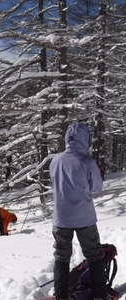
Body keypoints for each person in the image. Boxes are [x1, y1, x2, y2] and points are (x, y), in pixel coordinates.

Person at [50, 122, 106, 300]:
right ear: (86, 139)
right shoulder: (87, 162)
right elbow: (96, 188)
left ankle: (61, 296)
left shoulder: (55, 160)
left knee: (61, 258)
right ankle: (99, 295)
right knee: (94, 256)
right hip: (84, 218)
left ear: (67, 138)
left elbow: (55, 183)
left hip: (61, 218)